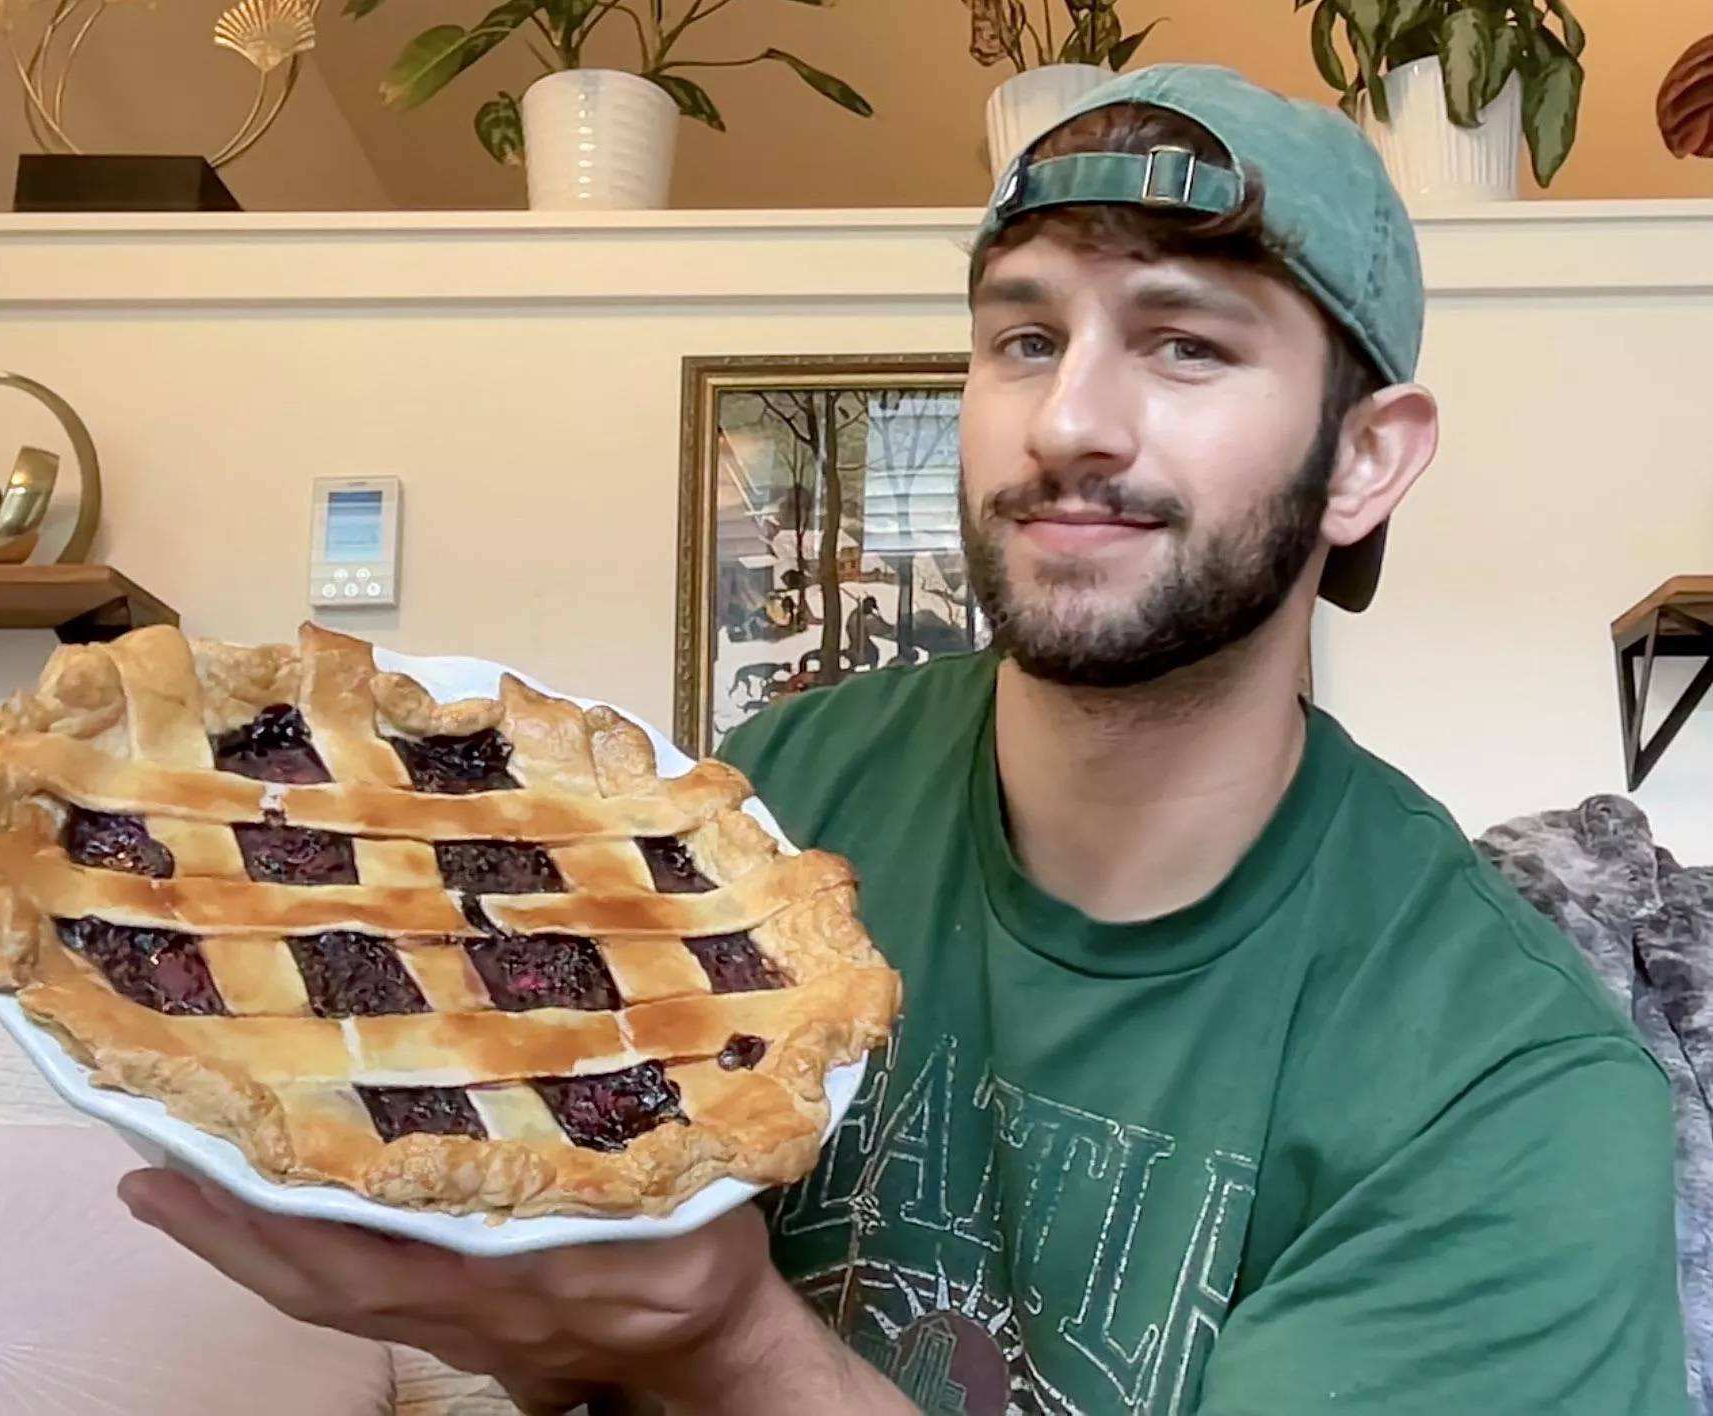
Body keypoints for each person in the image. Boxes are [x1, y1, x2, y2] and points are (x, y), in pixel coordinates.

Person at [117, 64, 1689, 1416]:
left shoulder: (1506, 1091)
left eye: (1185, 344)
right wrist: (506, 1293)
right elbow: (582, 1334)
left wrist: (734, 1339)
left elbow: (696, 1332)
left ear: (1362, 461)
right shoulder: (767, 811)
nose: (1068, 419)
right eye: (1021, 338)